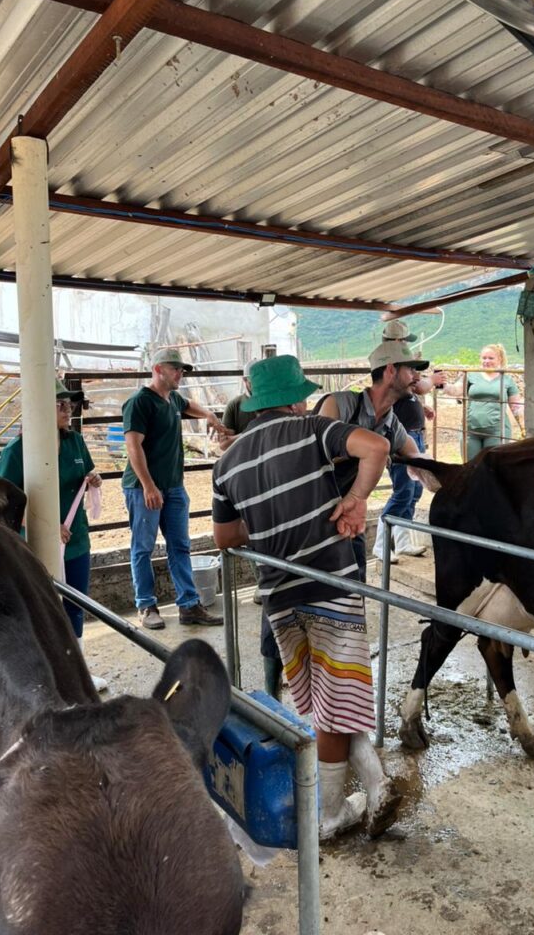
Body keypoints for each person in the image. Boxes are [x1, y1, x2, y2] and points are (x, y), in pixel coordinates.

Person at [212, 355, 401, 840]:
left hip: (278, 597)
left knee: (328, 698)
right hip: (329, 585)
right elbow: (377, 447)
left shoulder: (226, 463)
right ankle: (329, 815)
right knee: (334, 704)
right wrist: (356, 499)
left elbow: (225, 538)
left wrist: (267, 521)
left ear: (255, 403)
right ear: (295, 400)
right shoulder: (312, 429)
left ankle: (377, 783)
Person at [0, 379, 106, 689]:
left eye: (69, 404)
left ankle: (78, 671)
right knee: (43, 607)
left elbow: (86, 471)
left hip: (76, 537)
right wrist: (42, 527)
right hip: (36, 543)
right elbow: (5, 503)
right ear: (39, 410)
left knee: (76, 603)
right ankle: (49, 673)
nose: (67, 410)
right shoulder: (17, 451)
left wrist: (93, 478)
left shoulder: (75, 442)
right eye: (59, 404)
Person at [122, 346, 231, 629]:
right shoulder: (139, 402)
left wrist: (208, 415)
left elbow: (188, 405)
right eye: (175, 369)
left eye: (181, 370)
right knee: (143, 547)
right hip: (143, 488)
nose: (180, 374)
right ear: (158, 370)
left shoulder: (171, 398)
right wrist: (148, 486)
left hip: (173, 487)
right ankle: (146, 605)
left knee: (180, 545)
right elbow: (133, 446)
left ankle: (189, 604)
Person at [316, 337, 431, 582]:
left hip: (350, 513)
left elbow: (416, 457)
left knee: (356, 578)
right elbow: (318, 454)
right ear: (390, 370)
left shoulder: (391, 423)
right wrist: (371, 452)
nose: (416, 377)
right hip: (314, 511)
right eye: (410, 370)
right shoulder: (338, 405)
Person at [220, 355, 283, 699]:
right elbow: (225, 442)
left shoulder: (296, 423)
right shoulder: (236, 406)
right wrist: (246, 441)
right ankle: (273, 690)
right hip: (251, 483)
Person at [371, 321, 442, 563]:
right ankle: (381, 544)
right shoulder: (388, 373)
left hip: (414, 434)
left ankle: (401, 541)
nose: (406, 344)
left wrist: (421, 407)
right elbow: (415, 388)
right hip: (402, 437)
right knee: (403, 491)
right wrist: (431, 381)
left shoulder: (400, 373)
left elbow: (410, 392)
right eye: (402, 340)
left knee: (413, 491)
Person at [436, 343, 524, 460]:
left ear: (500, 359)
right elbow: (455, 390)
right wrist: (442, 384)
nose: (486, 361)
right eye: (484, 358)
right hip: (470, 431)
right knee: (470, 466)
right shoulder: (471, 375)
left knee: (493, 466)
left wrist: (523, 427)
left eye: (491, 358)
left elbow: (516, 407)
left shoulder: (507, 379)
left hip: (497, 432)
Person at [219, 357, 259, 452]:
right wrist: (250, 433)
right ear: (245, 380)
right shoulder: (234, 405)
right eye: (253, 379)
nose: (257, 383)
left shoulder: (274, 404)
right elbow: (224, 445)